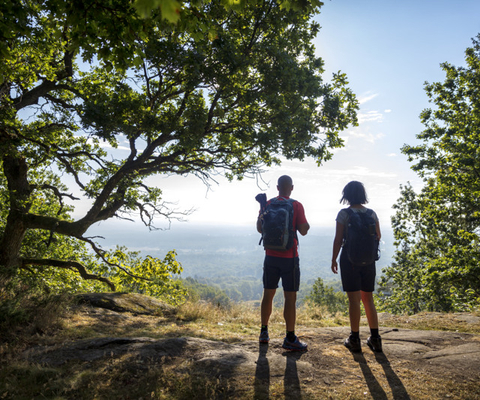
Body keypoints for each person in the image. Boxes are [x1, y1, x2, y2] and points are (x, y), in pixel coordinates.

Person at [256, 175, 310, 351]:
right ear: (291, 187)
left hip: (270, 255)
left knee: (268, 294)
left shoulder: (268, 204)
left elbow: (259, 228)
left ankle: (264, 332)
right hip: (290, 258)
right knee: (290, 297)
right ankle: (290, 337)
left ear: (277, 187)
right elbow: (303, 231)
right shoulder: (296, 205)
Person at [331, 181, 382, 353]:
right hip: (369, 261)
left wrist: (334, 259)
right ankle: (375, 339)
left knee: (354, 300)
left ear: (347, 195)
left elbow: (338, 239)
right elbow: (378, 235)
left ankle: (354, 338)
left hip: (349, 261)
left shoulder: (344, 214)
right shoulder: (372, 213)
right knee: (368, 298)